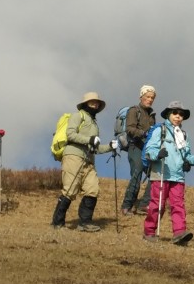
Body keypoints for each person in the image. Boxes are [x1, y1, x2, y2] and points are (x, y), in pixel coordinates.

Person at [142, 100, 194, 244]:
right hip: (160, 173)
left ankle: (179, 233)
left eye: (181, 114)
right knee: (157, 204)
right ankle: (149, 231)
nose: (178, 116)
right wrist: (158, 154)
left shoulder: (183, 135)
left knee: (178, 204)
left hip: (178, 176)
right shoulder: (160, 130)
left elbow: (187, 156)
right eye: (175, 113)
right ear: (168, 114)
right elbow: (149, 150)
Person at [50, 92, 118, 231]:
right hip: (73, 156)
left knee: (93, 189)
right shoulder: (78, 116)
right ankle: (57, 223)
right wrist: (89, 140)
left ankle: (85, 222)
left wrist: (110, 147)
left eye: (97, 102)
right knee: (70, 189)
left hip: (88, 160)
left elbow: (95, 148)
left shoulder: (94, 124)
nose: (95, 104)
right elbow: (70, 134)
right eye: (92, 102)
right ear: (85, 103)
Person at [120, 85, 157, 215]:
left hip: (147, 149)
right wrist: (143, 133)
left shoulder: (152, 115)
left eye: (152, 97)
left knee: (155, 175)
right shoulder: (134, 110)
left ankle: (144, 204)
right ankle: (126, 206)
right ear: (141, 97)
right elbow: (129, 129)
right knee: (136, 175)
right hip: (135, 146)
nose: (150, 99)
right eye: (148, 96)